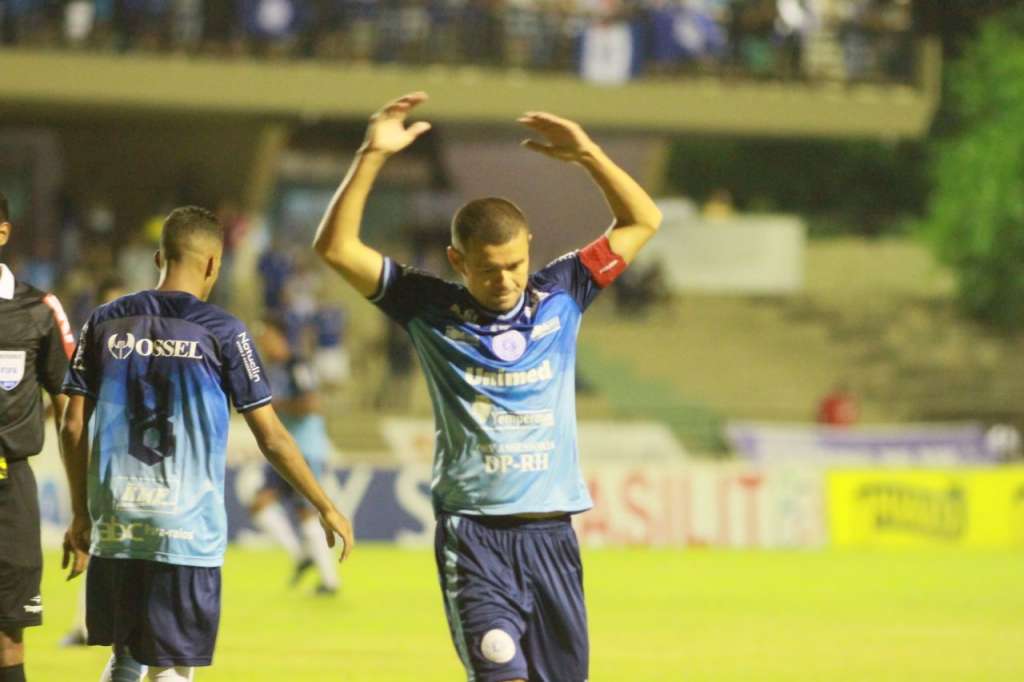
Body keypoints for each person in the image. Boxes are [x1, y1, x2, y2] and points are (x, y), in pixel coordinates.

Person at [313, 92, 662, 682]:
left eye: (514, 265)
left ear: (530, 250)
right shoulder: (426, 305)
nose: (503, 280)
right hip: (474, 537)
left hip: (552, 534)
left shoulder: (565, 290)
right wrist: (372, 155)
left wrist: (589, 155)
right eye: (486, 268)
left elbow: (642, 221)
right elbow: (336, 248)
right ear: (457, 259)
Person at [60, 206, 354, 682]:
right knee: (175, 665)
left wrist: (80, 514)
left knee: (126, 656)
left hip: (116, 521)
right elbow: (272, 436)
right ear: (215, 264)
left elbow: (72, 425)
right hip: (184, 526)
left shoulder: (104, 322)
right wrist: (324, 504)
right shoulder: (223, 332)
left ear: (159, 257)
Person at [0, 191, 75, 682]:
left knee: (9, 637)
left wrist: (84, 509)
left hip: (10, 492)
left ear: (2, 233)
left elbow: (70, 407)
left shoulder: (38, 309)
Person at [249, 313, 340, 595]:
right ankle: (302, 556)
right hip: (284, 450)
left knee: (305, 512)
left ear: (280, 336)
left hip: (306, 449)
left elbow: (312, 403)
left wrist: (275, 406)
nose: (262, 342)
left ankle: (329, 582)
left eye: (266, 336)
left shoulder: (296, 365)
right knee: (260, 505)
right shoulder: (270, 368)